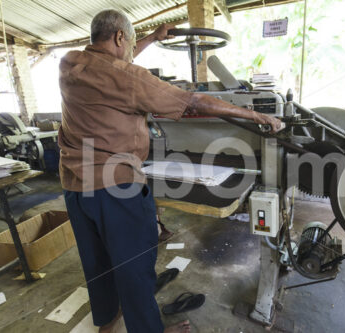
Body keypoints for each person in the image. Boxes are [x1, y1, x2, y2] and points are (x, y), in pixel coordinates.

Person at [58, 9, 282, 333]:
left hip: (74, 187)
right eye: (132, 42)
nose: (133, 50)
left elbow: (113, 66)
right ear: (120, 37)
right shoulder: (130, 78)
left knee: (98, 265)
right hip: (116, 188)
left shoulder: (70, 63)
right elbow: (191, 103)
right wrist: (256, 116)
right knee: (135, 270)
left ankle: (106, 323)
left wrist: (151, 38)